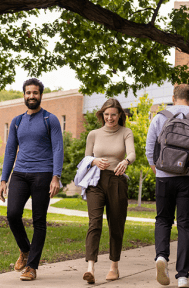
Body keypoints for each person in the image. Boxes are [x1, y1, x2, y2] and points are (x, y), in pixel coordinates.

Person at [145, 84, 189, 287]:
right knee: (185, 225)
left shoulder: (160, 116)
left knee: (163, 219)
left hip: (164, 176)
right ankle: (183, 275)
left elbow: (150, 148)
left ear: (174, 98)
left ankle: (161, 257)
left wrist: (158, 170)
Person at [0, 78, 64, 281]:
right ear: (24, 95)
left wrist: (56, 176)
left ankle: (32, 267)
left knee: (39, 221)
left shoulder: (49, 119)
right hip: (20, 173)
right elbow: (10, 151)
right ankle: (25, 250)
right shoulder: (17, 121)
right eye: (28, 93)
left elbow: (57, 148)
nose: (31, 96)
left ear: (41, 95)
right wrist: (3, 179)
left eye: (35, 93)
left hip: (43, 174)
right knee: (12, 214)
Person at [82, 98, 136, 284]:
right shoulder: (94, 134)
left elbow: (132, 153)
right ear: (102, 115)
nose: (110, 118)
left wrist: (125, 162)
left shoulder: (125, 132)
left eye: (113, 114)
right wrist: (94, 161)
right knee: (94, 222)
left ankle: (114, 266)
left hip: (117, 181)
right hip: (95, 181)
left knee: (116, 224)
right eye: (106, 115)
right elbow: (86, 158)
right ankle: (90, 268)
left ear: (119, 114)